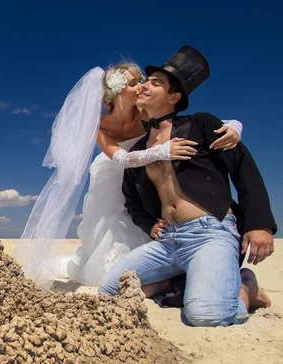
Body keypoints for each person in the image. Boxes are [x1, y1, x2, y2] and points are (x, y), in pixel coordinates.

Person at [15, 62, 242, 290]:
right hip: (113, 169)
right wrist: (160, 151)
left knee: (147, 207)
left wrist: (234, 126)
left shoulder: (146, 112)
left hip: (146, 173)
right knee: (111, 217)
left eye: (141, 81)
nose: (142, 87)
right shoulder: (99, 123)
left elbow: (184, 120)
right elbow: (122, 158)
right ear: (117, 91)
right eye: (134, 83)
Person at [98, 45, 277, 327]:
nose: (144, 86)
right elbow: (131, 198)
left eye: (155, 83)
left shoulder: (200, 124)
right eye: (145, 81)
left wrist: (260, 224)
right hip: (168, 240)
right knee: (109, 291)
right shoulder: (140, 149)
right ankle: (183, 281)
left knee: (205, 316)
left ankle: (245, 288)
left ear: (174, 97)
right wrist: (149, 224)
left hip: (211, 231)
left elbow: (242, 167)